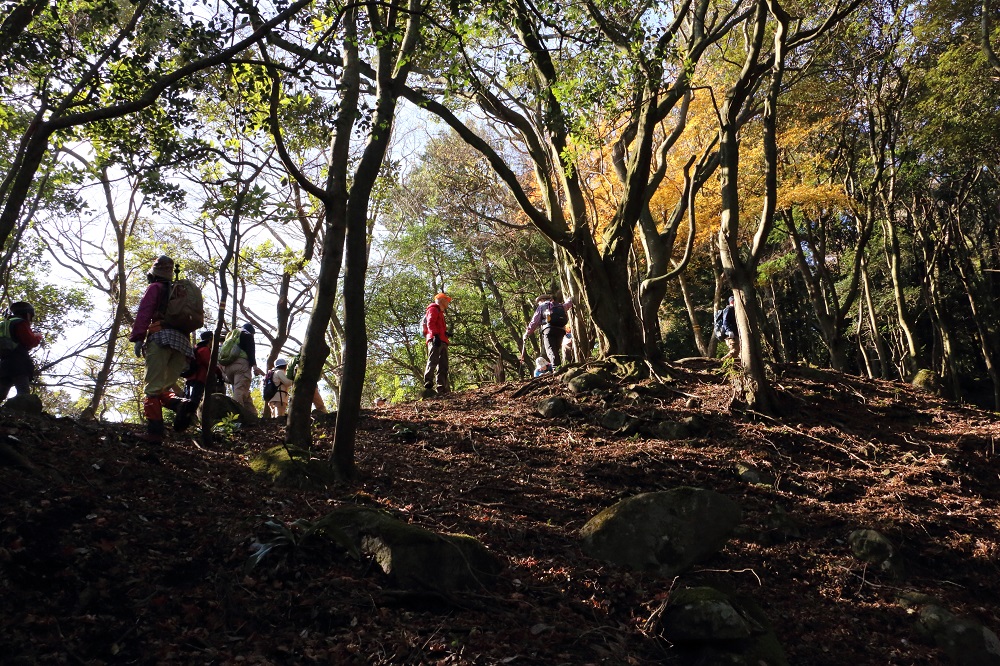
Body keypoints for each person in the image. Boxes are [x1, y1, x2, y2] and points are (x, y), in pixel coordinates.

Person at [129, 255, 193, 442]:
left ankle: (154, 433)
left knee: (152, 388)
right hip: (182, 344)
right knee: (163, 387)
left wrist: (138, 337)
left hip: (161, 338)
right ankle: (181, 405)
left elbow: (144, 312)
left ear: (154, 273)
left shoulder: (155, 288)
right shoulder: (181, 292)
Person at [0, 301, 43, 403]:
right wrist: (37, 337)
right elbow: (29, 341)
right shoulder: (20, 323)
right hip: (19, 363)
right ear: (27, 314)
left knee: (1, 392)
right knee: (23, 393)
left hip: (4, 364)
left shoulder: (4, 324)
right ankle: (22, 416)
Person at [221, 322, 264, 416]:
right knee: (240, 391)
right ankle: (237, 417)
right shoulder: (247, 335)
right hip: (241, 366)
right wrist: (255, 367)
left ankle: (253, 416)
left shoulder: (232, 334)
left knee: (244, 392)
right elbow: (251, 352)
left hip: (229, 366)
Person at [522, 294, 573, 369]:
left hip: (548, 329)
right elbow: (568, 305)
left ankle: (557, 368)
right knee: (556, 349)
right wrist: (570, 299)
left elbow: (534, 322)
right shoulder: (559, 305)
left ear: (542, 300)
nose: (538, 303)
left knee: (551, 350)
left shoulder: (542, 306)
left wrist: (527, 333)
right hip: (561, 331)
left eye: (539, 302)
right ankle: (559, 367)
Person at [421, 292, 451, 398]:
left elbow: (439, 326)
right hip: (435, 340)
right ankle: (428, 382)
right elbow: (430, 323)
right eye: (447, 300)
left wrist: (445, 334)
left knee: (443, 365)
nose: (448, 303)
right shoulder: (433, 309)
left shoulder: (441, 313)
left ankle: (441, 388)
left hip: (443, 340)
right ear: (442, 300)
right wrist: (435, 336)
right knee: (433, 360)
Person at [182, 331, 218, 412]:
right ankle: (189, 416)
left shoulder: (196, 348)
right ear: (210, 340)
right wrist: (219, 372)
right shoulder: (204, 349)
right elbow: (209, 363)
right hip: (199, 378)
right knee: (194, 400)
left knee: (190, 399)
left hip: (190, 378)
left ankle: (188, 417)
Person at [720, 295, 739, 360]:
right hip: (730, 335)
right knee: (734, 351)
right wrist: (729, 331)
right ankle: (721, 362)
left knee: (739, 352)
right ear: (732, 302)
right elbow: (725, 321)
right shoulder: (729, 309)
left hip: (736, 334)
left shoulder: (736, 310)